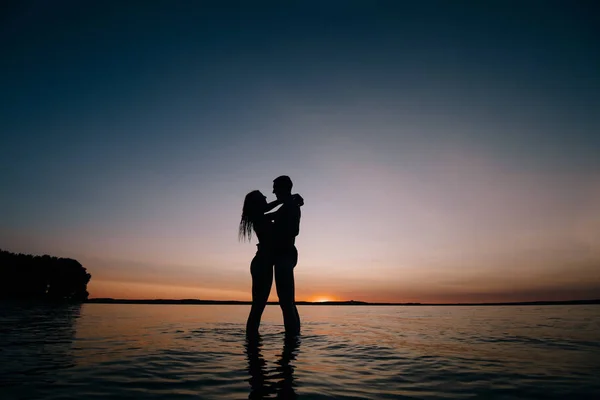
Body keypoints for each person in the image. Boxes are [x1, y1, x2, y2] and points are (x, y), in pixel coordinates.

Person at [239, 178, 303, 337]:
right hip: (264, 261)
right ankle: (292, 342)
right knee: (266, 304)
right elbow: (273, 212)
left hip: (269, 259)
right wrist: (289, 200)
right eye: (264, 197)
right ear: (257, 204)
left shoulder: (264, 214)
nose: (270, 195)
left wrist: (290, 200)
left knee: (280, 303)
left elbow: (273, 210)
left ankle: (253, 343)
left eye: (275, 189)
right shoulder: (261, 217)